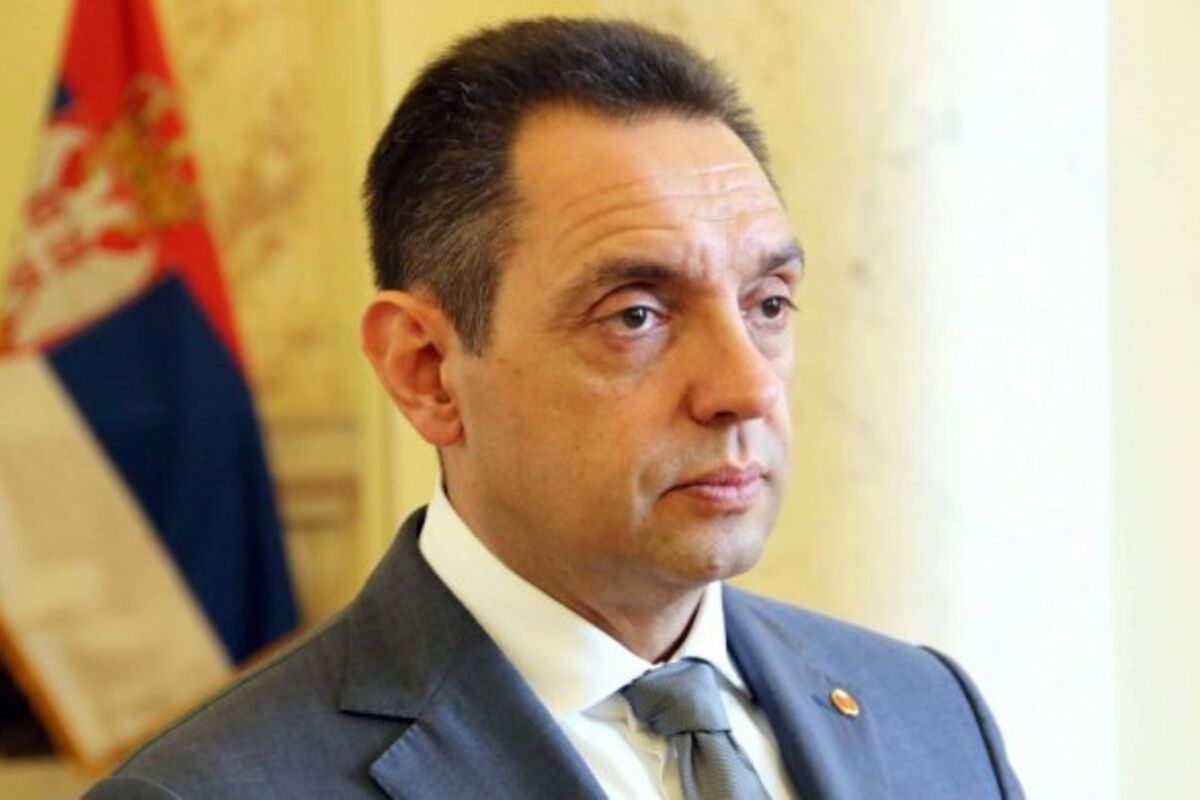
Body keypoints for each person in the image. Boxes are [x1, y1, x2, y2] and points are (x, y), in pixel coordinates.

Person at [86, 17, 1023, 800]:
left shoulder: (928, 713)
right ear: (425, 370)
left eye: (768, 305)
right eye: (636, 315)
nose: (746, 388)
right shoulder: (214, 790)